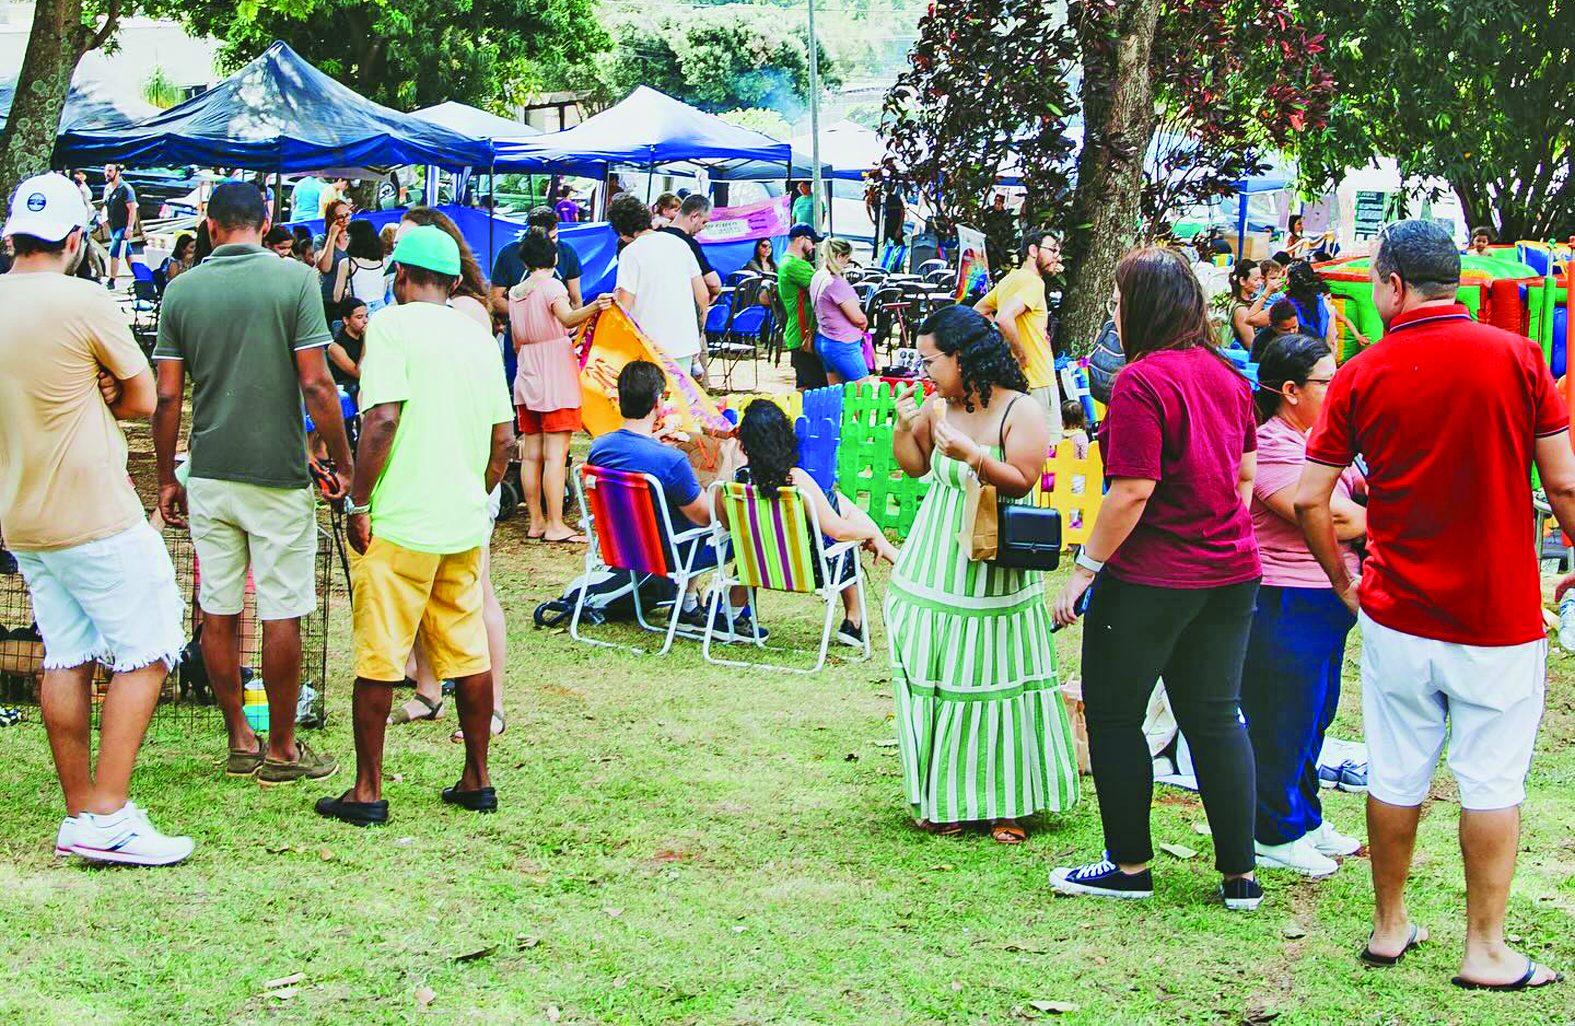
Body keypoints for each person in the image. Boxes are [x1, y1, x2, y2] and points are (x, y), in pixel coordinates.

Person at [1296, 219, 1573, 990]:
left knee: (1394, 773)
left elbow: (1308, 497)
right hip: (1497, 614)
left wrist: (1342, 581)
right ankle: (1484, 948)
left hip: (1396, 611)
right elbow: (1563, 484)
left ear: (1391, 285)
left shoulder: (1360, 373)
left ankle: (1389, 926)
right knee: (1491, 782)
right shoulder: (1518, 358)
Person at [1048, 246, 1263, 911]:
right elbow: (1244, 477)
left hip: (1152, 577)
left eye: (1117, 302)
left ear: (1143, 307)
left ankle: (1129, 867)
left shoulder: (1142, 381)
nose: (1113, 314)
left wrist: (1083, 571)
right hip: (1229, 572)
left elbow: (1132, 491)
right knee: (1215, 716)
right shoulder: (1227, 376)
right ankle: (1240, 877)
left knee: (1114, 715)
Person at [0, 173, 192, 866]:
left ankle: (82, 809)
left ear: (13, 236)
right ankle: (107, 813)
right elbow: (143, 397)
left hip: (23, 514)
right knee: (152, 644)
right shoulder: (86, 300)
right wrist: (103, 389)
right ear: (76, 239)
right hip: (93, 507)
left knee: (66, 653)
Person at [153, 182, 354, 787]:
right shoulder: (296, 281)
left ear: (211, 227)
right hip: (277, 473)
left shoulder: (181, 290)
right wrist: (342, 461)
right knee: (281, 609)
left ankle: (240, 737)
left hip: (209, 469)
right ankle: (284, 749)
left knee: (218, 608)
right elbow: (317, 384)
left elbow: (167, 396)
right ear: (265, 225)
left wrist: (165, 478)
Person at [315, 226, 515, 826]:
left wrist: (359, 503)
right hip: (461, 522)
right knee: (468, 652)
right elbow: (504, 439)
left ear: (400, 275)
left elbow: (381, 421)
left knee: (379, 656)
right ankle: (477, 779)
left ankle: (367, 791)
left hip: (399, 522)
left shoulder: (389, 327)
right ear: (452, 282)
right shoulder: (478, 335)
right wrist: (477, 489)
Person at [885, 305, 1078, 843]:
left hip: (994, 567)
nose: (924, 371)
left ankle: (1006, 801)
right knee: (942, 677)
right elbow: (916, 466)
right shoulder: (937, 408)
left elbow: (1023, 478)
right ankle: (945, 795)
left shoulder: (1020, 409)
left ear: (963, 357)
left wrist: (975, 457)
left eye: (931, 360)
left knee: (996, 676)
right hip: (936, 560)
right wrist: (903, 427)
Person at [1239, 333, 1365, 880]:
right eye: (1327, 383)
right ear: (1291, 390)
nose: (1337, 392)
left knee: (1315, 715)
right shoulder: (1271, 444)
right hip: (1284, 596)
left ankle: (1306, 818)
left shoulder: (1321, 442)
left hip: (1328, 596)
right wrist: (1398, 521)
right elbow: (1333, 515)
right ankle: (1273, 832)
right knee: (1281, 720)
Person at [386, 208, 510, 743]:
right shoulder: (405, 318)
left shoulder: (465, 313)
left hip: (463, 469)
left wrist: (481, 481)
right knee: (422, 588)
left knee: (475, 590)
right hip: (424, 471)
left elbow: (487, 413)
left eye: (411, 245)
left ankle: (493, 704)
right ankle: (429, 690)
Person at [587, 360, 765, 638]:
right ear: (658, 402)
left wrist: (654, 441)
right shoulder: (671, 460)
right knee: (751, 531)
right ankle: (729, 613)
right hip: (670, 556)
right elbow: (706, 516)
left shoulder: (600, 448)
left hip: (624, 549)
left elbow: (635, 457)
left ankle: (688, 606)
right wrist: (729, 465)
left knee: (683, 516)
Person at [734, 399, 897, 647]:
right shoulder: (795, 480)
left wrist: (729, 460)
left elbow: (724, 523)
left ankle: (734, 612)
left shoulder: (738, 482)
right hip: (811, 572)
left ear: (744, 442)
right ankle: (854, 620)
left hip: (756, 567)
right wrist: (870, 534)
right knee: (838, 517)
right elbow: (838, 530)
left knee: (833, 501)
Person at [508, 228, 608, 543]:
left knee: (531, 453)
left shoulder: (515, 293)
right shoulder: (552, 286)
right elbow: (567, 318)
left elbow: (516, 340)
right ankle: (555, 524)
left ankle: (536, 521)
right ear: (553, 257)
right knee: (555, 454)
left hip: (527, 372)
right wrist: (596, 306)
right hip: (554, 374)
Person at [975, 228, 1065, 439]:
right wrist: (1020, 354)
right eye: (1053, 250)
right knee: (1048, 448)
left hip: (1015, 382)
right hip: (1039, 380)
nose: (1058, 257)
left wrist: (1003, 344)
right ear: (1033, 250)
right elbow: (1004, 317)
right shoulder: (1034, 282)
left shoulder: (1009, 280)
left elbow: (979, 311)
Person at [609, 194, 707, 382]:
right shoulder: (680, 244)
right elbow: (702, 295)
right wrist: (697, 335)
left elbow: (623, 308)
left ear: (621, 231)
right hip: (684, 344)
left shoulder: (631, 253)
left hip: (648, 348)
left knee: (651, 399)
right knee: (679, 398)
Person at [490, 207, 584, 316]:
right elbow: (496, 298)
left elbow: (576, 300)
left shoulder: (567, 252)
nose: (551, 246)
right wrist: (527, 317)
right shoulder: (509, 253)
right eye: (545, 241)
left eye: (554, 237)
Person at [810, 238, 871, 384]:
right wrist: (864, 322)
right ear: (839, 256)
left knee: (836, 391)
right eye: (847, 257)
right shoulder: (836, 283)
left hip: (824, 339)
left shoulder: (818, 276)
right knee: (862, 390)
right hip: (843, 344)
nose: (848, 261)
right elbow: (858, 319)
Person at [778, 224, 828, 391]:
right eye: (812, 241)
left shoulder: (787, 262)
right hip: (804, 335)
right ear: (800, 239)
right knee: (815, 388)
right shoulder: (794, 265)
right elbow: (825, 287)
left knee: (805, 387)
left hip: (801, 334)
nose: (813, 246)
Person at [661, 193, 722, 303]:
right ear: (694, 216)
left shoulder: (654, 234)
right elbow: (714, 284)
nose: (703, 227)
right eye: (704, 222)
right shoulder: (689, 244)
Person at [332, 219, 389, 311]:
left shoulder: (347, 264)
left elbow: (337, 298)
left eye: (348, 236)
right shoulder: (384, 262)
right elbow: (383, 291)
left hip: (358, 311)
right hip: (381, 310)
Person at [1283, 260, 1337, 351]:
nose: (1284, 280)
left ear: (1290, 281)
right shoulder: (1323, 302)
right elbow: (1332, 339)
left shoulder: (1285, 304)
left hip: (1295, 353)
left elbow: (1254, 320)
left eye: (1286, 276)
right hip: (1318, 352)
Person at [101, 164, 138, 290]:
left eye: (110, 171)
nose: (107, 173)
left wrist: (130, 227)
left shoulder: (126, 189)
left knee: (114, 251)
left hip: (123, 226)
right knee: (128, 253)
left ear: (117, 172)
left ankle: (111, 280)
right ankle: (140, 277)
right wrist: (104, 218)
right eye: (106, 171)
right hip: (113, 226)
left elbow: (132, 209)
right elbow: (105, 205)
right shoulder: (107, 188)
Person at [1224, 260, 1269, 348]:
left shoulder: (1243, 301)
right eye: (1256, 279)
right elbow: (1251, 345)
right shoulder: (1241, 310)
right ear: (1242, 281)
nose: (1260, 283)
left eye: (1261, 278)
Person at [315, 199, 351, 309]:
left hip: (351, 300)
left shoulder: (355, 237)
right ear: (332, 219)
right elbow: (325, 268)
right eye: (340, 217)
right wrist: (332, 236)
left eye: (347, 215)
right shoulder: (320, 240)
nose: (345, 220)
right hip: (328, 300)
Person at [329, 298, 368, 397]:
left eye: (366, 316)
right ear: (346, 320)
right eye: (359, 317)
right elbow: (360, 373)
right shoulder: (335, 347)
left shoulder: (366, 337)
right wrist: (366, 338)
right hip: (348, 390)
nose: (365, 321)